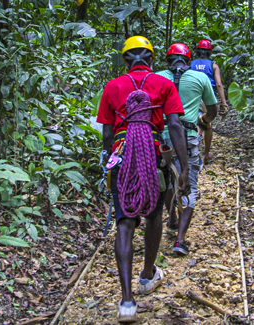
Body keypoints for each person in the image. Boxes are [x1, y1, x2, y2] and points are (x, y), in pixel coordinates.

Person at [96, 36, 191, 323]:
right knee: (153, 215)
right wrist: (183, 167)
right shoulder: (164, 85)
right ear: (151, 60)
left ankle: (126, 301)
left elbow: (108, 134)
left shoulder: (113, 87)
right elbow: (174, 125)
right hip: (152, 154)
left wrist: (110, 158)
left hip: (123, 154)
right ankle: (148, 275)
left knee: (124, 223)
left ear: (125, 60)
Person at [156, 43, 218, 255]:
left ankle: (172, 218)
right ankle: (180, 240)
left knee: (165, 179)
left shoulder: (156, 77)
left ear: (167, 61)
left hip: (161, 137)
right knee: (188, 182)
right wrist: (204, 121)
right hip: (188, 136)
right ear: (188, 60)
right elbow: (212, 109)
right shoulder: (199, 78)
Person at [190, 39, 228, 163]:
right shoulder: (213, 65)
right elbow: (219, 84)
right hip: (207, 96)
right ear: (209, 53)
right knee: (207, 124)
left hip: (193, 95)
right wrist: (223, 102)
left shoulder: (191, 64)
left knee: (193, 121)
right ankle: (206, 154)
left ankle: (191, 149)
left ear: (197, 52)